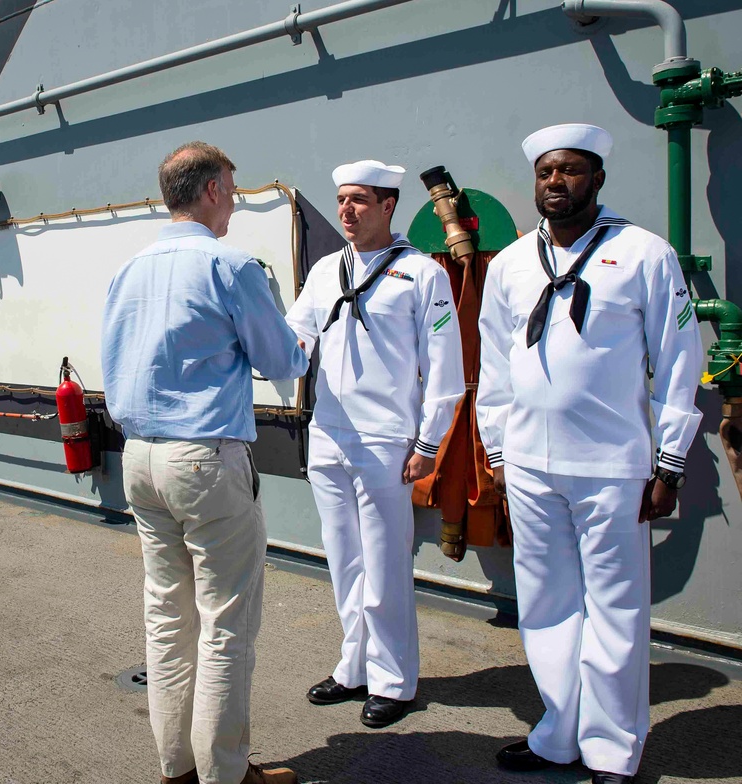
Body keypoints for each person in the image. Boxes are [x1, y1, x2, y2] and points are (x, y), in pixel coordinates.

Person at [475, 123, 703, 784]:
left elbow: (680, 361)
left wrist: (670, 463)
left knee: (615, 608)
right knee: (545, 605)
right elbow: (492, 363)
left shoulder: (642, 253)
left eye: (571, 170)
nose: (556, 182)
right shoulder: (513, 263)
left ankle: (611, 749)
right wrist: (496, 453)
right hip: (528, 463)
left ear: (597, 177)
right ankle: (558, 734)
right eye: (547, 171)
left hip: (612, 466)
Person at [102, 142, 308, 784]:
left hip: (140, 458)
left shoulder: (129, 268)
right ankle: (226, 775)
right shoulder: (230, 263)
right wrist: (301, 340)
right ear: (213, 190)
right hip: (205, 460)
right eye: (233, 190)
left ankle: (178, 769)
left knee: (168, 618)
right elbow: (282, 362)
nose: (235, 205)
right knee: (225, 624)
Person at [286, 160, 465, 729]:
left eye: (359, 200)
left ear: (388, 206)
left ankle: (394, 681)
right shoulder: (322, 272)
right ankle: (354, 667)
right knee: (344, 562)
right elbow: (296, 339)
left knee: (386, 567)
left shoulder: (422, 275)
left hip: (388, 441)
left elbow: (445, 368)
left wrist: (430, 443)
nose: (346, 210)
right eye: (341, 199)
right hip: (328, 436)